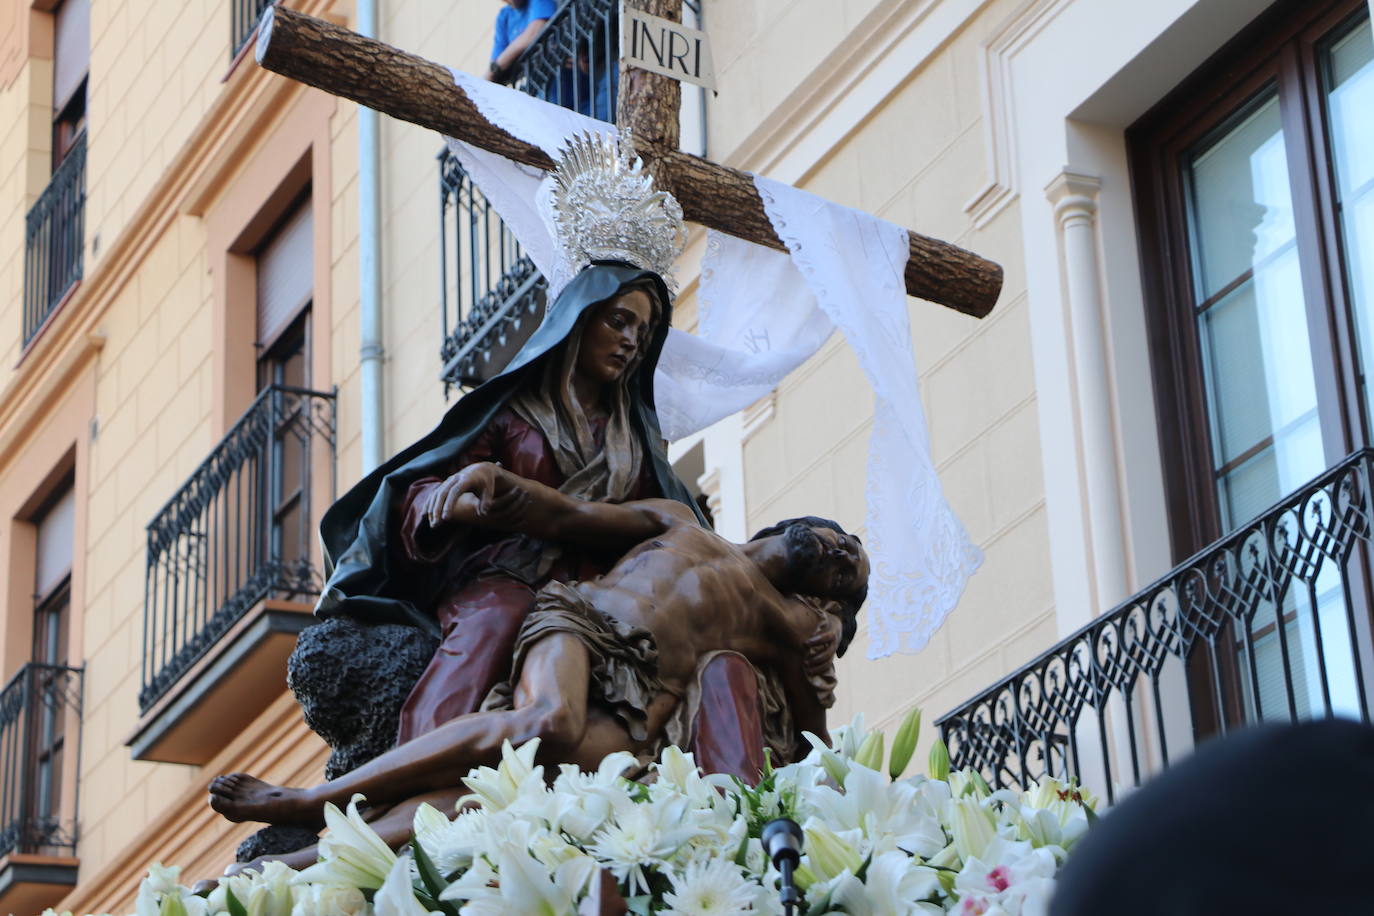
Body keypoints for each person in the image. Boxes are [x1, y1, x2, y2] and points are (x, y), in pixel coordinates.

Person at [210, 464, 867, 828]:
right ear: (795, 524)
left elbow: (814, 742)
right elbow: (567, 516)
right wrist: (496, 486)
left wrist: (823, 651)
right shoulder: (679, 520)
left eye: (845, 573)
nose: (839, 553)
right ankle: (303, 803)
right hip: (583, 624)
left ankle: (315, 856)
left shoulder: (790, 624)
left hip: (644, 704)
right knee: (545, 723)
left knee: (522, 791)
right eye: (843, 541)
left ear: (826, 599)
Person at [314, 262, 701, 750]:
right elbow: (428, 483)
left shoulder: (637, 443)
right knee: (494, 622)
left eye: (642, 333)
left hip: (607, 590)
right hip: (512, 577)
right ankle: (419, 763)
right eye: (618, 321)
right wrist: (445, 502)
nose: (630, 341)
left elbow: (673, 530)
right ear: (579, 320)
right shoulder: (512, 415)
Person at [485, 0, 556, 84]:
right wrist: (497, 66)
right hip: (536, 87)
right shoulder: (504, 16)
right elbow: (491, 71)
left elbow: (534, 32)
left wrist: (500, 64)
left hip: (559, 80)